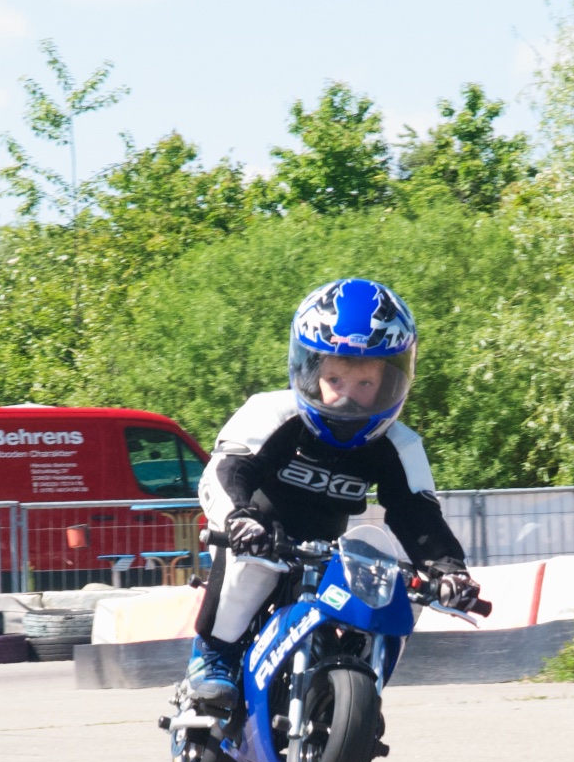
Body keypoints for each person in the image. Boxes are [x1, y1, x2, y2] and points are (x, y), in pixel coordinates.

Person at [185, 278, 478, 707]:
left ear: (392, 381)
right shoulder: (270, 413)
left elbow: (417, 514)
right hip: (254, 535)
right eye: (335, 379)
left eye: (365, 384)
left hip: (329, 552)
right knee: (255, 568)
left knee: (397, 593)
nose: (347, 399)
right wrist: (239, 519)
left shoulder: (400, 445)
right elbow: (227, 471)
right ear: (309, 371)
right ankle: (212, 658)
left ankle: (359, 690)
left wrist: (449, 571)